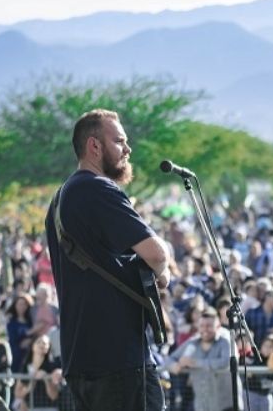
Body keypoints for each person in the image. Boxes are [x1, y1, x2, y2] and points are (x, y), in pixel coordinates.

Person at [45, 109, 172, 411]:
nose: (128, 150)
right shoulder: (97, 188)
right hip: (118, 359)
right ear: (95, 146)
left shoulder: (60, 199)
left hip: (82, 359)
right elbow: (157, 254)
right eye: (120, 141)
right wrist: (162, 271)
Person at [164, 308, 242, 411]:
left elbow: (226, 362)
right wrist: (174, 366)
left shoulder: (226, 340)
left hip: (227, 405)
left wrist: (195, 363)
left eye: (209, 326)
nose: (205, 329)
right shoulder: (193, 343)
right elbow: (169, 358)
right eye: (202, 326)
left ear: (218, 327)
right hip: (203, 404)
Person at [13, 334, 61, 411]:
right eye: (39, 342)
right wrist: (28, 388)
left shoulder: (52, 367)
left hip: (47, 408)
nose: (42, 345)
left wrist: (46, 379)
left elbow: (54, 396)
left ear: (48, 347)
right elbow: (17, 393)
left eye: (45, 343)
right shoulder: (25, 367)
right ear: (33, 345)